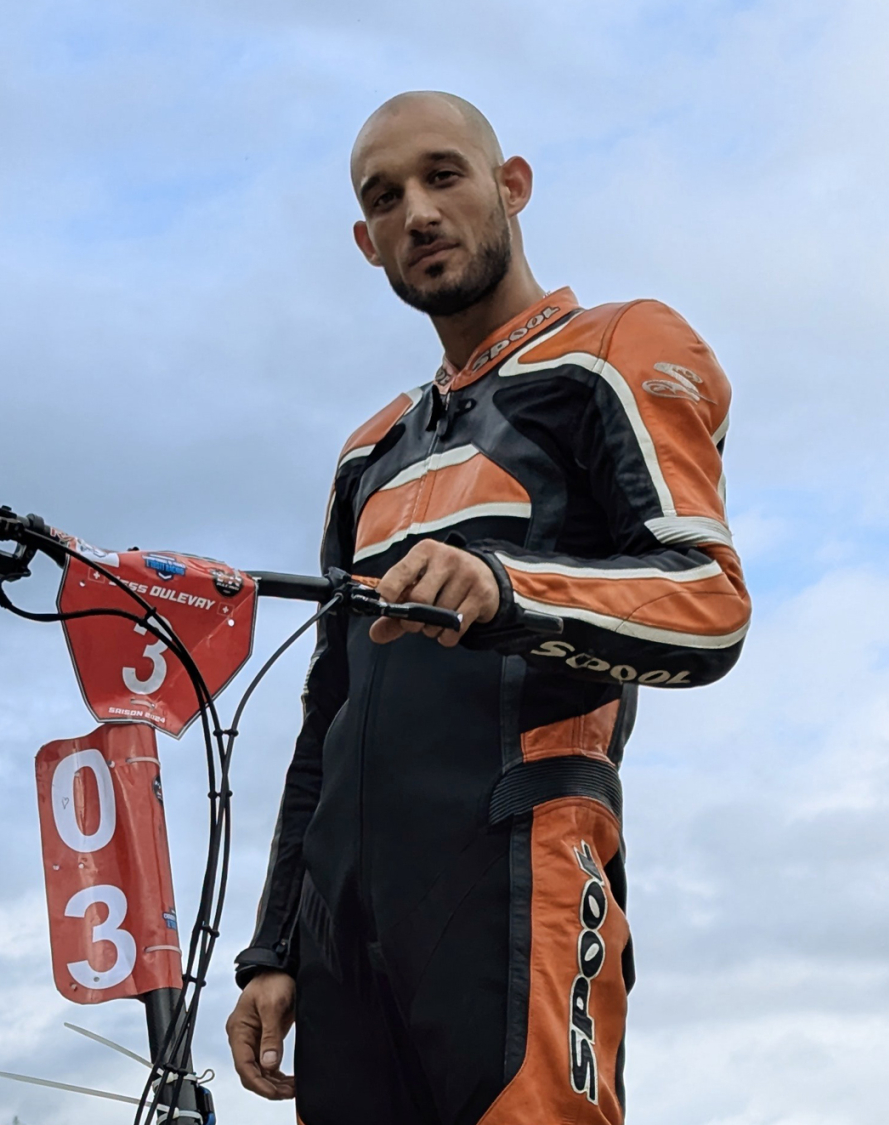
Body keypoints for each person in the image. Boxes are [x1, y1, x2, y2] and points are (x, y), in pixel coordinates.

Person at [223, 92, 750, 1124]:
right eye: (384, 197)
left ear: (511, 186)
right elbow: (326, 714)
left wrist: (508, 588)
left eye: (442, 176)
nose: (417, 212)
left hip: (520, 870)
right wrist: (275, 945)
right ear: (366, 241)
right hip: (345, 935)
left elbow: (710, 604)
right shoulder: (369, 451)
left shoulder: (614, 347)